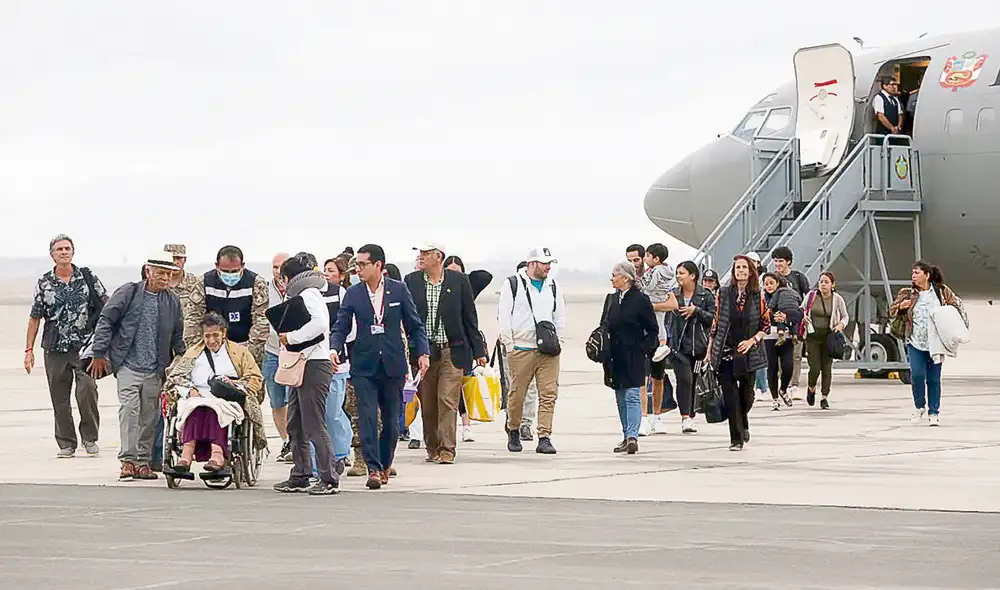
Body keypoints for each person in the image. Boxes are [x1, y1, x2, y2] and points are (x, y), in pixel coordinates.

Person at [330, 244, 430, 490]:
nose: (358, 270)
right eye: (357, 265)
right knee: (366, 416)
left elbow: (414, 325)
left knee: (391, 420)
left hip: (393, 363)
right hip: (364, 365)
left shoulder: (398, 290)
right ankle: (373, 468)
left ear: (378, 266)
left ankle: (386, 463)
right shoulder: (353, 293)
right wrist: (335, 348)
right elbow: (341, 325)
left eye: (363, 265)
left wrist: (423, 353)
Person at [89, 252, 185, 481]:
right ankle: (128, 461)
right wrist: (99, 353)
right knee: (129, 411)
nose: (164, 278)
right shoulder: (129, 292)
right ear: (148, 271)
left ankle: (143, 463)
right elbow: (106, 321)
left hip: (155, 369)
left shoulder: (172, 301)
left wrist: (185, 359)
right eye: (160, 272)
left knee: (149, 417)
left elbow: (177, 336)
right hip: (128, 366)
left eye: (169, 274)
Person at [24, 234, 108, 458]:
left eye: (67, 248)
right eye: (59, 249)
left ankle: (90, 437)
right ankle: (66, 442)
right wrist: (28, 350)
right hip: (55, 348)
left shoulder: (87, 277)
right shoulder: (44, 283)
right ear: (52, 255)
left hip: (84, 347)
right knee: (59, 397)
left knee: (87, 390)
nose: (64, 252)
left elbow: (107, 305)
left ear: (73, 252)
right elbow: (35, 318)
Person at [404, 244, 486, 464]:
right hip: (424, 354)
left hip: (453, 350)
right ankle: (432, 447)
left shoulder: (458, 282)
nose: (420, 257)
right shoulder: (411, 281)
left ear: (438, 257)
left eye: (425, 253)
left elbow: (470, 317)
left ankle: (447, 450)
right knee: (428, 404)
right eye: (419, 254)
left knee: (447, 400)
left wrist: (479, 351)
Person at [161, 312, 265, 474]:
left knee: (217, 408)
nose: (211, 340)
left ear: (224, 334)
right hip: (196, 395)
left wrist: (235, 385)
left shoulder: (240, 352)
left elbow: (255, 378)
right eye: (207, 336)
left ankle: (217, 455)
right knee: (193, 406)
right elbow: (176, 377)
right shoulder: (193, 353)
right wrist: (189, 390)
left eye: (215, 335)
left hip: (226, 397)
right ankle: (186, 455)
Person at [271, 254, 339, 495]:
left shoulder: (309, 295)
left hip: (313, 364)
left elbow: (319, 324)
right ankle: (301, 473)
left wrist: (292, 337)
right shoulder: (309, 294)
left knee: (313, 423)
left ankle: (328, 477)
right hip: (305, 363)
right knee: (296, 423)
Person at [498, 247, 566, 455]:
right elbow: (504, 314)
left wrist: (559, 341)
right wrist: (510, 345)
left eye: (549, 263)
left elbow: (559, 315)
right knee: (517, 393)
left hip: (548, 349)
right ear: (531, 264)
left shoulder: (553, 286)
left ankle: (544, 435)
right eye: (544, 263)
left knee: (548, 394)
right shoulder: (513, 284)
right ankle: (514, 429)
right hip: (521, 348)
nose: (548, 267)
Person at [705, 255, 770, 451]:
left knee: (746, 396)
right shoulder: (724, 293)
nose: (740, 270)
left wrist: (752, 341)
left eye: (744, 267)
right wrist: (710, 350)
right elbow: (716, 323)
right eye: (737, 268)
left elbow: (765, 325)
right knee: (730, 395)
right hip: (725, 350)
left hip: (749, 351)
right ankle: (736, 438)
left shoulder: (758, 295)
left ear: (751, 271)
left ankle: (743, 420)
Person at [889, 261, 963, 426]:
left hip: (936, 343)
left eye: (917, 272)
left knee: (934, 379)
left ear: (927, 275)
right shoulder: (907, 293)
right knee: (916, 375)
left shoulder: (941, 291)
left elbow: (956, 306)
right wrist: (901, 306)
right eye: (913, 273)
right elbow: (892, 311)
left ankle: (934, 412)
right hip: (915, 342)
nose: (913, 275)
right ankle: (919, 406)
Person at [602, 261, 658, 454]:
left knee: (632, 394)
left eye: (614, 275)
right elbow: (604, 326)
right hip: (614, 356)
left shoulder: (641, 300)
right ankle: (626, 435)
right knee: (620, 397)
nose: (612, 278)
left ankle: (633, 436)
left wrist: (642, 349)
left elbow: (653, 330)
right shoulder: (611, 299)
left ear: (625, 278)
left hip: (633, 355)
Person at [183, 245, 269, 366]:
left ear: (242, 266)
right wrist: (198, 351)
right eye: (225, 271)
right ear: (217, 266)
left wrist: (248, 353)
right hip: (211, 347)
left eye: (234, 271)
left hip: (245, 347)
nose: (230, 275)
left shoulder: (256, 284)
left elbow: (261, 322)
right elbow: (193, 319)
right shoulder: (203, 283)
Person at [665, 261, 715, 434]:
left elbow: (713, 318)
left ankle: (692, 416)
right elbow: (666, 319)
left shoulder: (706, 295)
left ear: (693, 276)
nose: (678, 276)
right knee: (684, 379)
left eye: (682, 273)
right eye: (677, 273)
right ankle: (685, 417)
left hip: (698, 347)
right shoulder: (672, 295)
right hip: (678, 347)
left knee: (694, 380)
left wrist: (696, 311)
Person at [637, 243, 676, 435]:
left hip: (653, 330)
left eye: (645, 257)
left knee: (657, 377)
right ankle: (645, 417)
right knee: (644, 378)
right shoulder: (668, 271)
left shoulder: (656, 273)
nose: (643, 261)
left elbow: (672, 303)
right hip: (647, 334)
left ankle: (655, 416)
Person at [800, 272, 849, 409]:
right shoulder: (811, 296)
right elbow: (801, 310)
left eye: (826, 282)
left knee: (826, 368)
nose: (823, 284)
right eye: (821, 281)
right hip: (812, 336)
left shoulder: (837, 299)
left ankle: (824, 397)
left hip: (829, 337)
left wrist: (840, 325)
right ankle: (811, 388)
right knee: (814, 368)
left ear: (832, 284)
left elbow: (845, 316)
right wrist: (803, 317)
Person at [263, 252, 292, 461]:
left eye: (281, 267)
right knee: (276, 400)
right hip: (271, 350)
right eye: (274, 267)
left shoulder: (299, 288)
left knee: (294, 398)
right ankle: (286, 441)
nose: (278, 271)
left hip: (293, 352)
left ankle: (298, 440)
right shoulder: (263, 289)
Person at [761, 272, 803, 410]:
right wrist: (776, 317)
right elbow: (763, 315)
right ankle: (775, 399)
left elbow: (799, 312)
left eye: (771, 283)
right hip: (769, 336)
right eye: (766, 284)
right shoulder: (762, 298)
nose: (769, 286)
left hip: (787, 335)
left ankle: (783, 389)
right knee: (772, 368)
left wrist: (785, 317)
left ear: (777, 283)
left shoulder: (787, 295)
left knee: (788, 366)